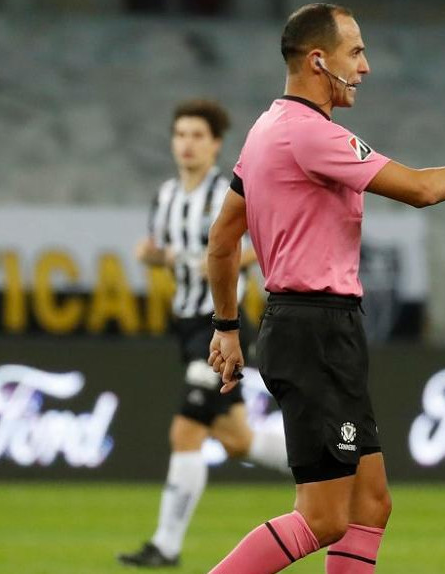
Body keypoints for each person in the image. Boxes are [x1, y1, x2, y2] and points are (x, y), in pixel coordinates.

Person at [202, 3, 445, 574]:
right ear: (317, 60)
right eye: (355, 52)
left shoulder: (265, 130)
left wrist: (227, 326)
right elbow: (422, 189)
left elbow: (222, 239)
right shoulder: (310, 135)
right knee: (323, 517)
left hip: (314, 327)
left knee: (371, 506)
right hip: (315, 333)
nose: (366, 66)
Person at [119, 98, 288, 569]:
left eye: (197, 135)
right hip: (186, 326)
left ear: (215, 145)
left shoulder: (228, 193)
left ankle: (166, 547)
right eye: (180, 135)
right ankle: (333, 468)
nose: (187, 144)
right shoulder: (166, 196)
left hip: (224, 324)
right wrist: (156, 256)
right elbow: (158, 250)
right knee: (238, 440)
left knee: (186, 429)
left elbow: (259, 246)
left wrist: (212, 258)